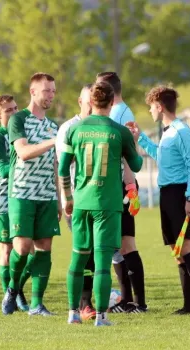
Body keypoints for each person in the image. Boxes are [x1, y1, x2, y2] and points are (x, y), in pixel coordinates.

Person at [59, 81, 143, 326]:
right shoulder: (119, 132)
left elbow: (63, 168)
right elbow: (136, 166)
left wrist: (69, 197)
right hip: (107, 204)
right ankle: (102, 317)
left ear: (91, 101)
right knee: (103, 262)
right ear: (111, 102)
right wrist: (134, 141)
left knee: (78, 259)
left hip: (82, 202)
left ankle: (73, 313)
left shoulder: (74, 129)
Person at [127, 86, 190, 316]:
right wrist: (141, 138)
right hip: (167, 195)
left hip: (180, 194)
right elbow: (162, 157)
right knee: (177, 251)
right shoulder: (167, 132)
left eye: (151, 106)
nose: (149, 110)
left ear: (159, 106)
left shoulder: (181, 131)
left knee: (185, 247)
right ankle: (188, 305)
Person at [2, 72, 60, 316]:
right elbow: (23, 152)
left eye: (53, 91)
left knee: (45, 248)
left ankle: (37, 304)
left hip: (47, 195)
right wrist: (53, 141)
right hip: (22, 192)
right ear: (33, 91)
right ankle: (13, 289)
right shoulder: (18, 120)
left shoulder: (53, 126)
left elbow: (56, 165)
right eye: (47, 90)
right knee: (23, 247)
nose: (51, 95)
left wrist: (59, 197)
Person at [95, 72, 147, 313]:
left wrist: (130, 187)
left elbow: (130, 154)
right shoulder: (119, 112)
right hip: (116, 188)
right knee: (118, 247)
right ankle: (127, 301)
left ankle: (138, 302)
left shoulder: (119, 114)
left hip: (122, 187)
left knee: (127, 244)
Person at [55, 84, 97, 321]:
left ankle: (95, 301)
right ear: (79, 101)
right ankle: (83, 304)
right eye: (88, 99)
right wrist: (65, 198)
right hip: (77, 201)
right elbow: (63, 165)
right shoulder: (69, 129)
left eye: (95, 99)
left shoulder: (103, 127)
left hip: (99, 200)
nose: (92, 103)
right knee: (85, 251)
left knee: (99, 251)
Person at [0, 94, 29, 310]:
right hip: (3, 200)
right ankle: (11, 296)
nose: (14, 113)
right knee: (7, 250)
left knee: (28, 251)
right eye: (8, 110)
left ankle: (16, 288)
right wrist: (24, 155)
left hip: (23, 196)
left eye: (15, 108)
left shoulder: (23, 132)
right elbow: (3, 170)